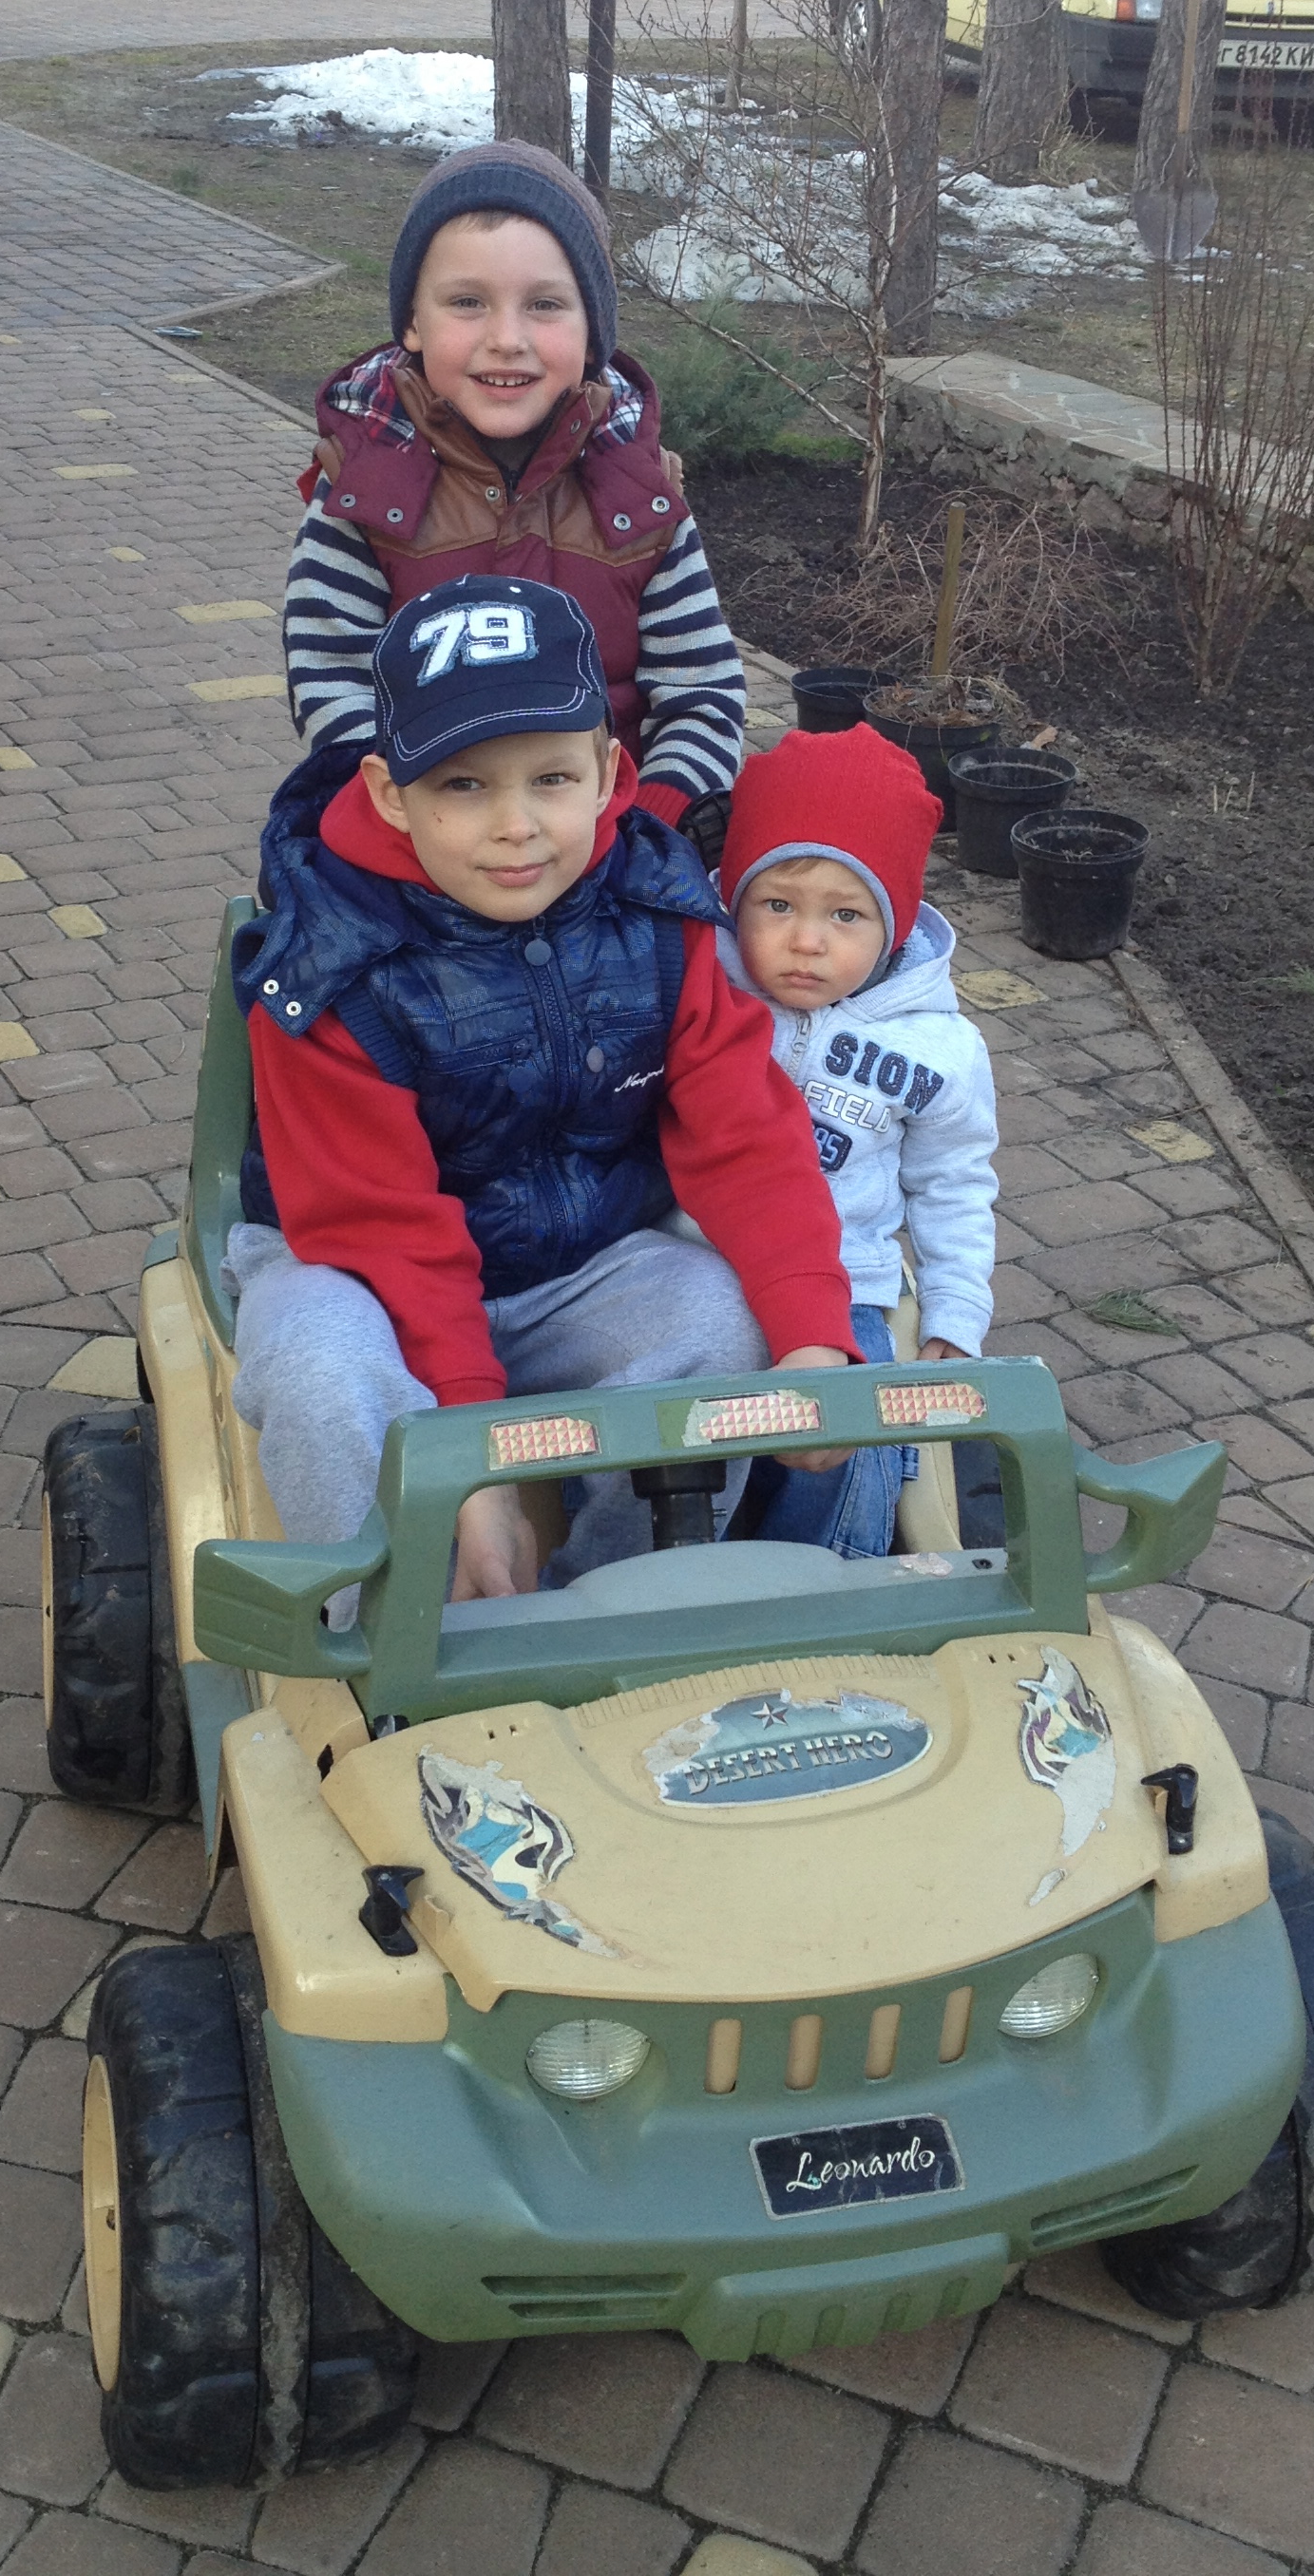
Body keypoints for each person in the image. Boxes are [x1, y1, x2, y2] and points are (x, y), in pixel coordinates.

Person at [226, 575, 856, 1599]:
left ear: (609, 772)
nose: (516, 826)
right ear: (390, 793)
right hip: (360, 1270)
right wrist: (468, 1461)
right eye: (464, 786)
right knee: (319, 1369)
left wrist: (813, 1333)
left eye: (551, 778)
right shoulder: (329, 965)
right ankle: (390, 1632)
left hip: (575, 1261)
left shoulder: (661, 919)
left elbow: (745, 1134)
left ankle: (616, 1608)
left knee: (720, 1320)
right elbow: (379, 1224)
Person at [280, 139, 749, 847]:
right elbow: (332, 685)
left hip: (614, 846)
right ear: (413, 322)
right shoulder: (363, 493)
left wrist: (646, 829)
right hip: (420, 854)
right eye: (467, 302)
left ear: (592, 331)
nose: (506, 338)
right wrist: (423, 832)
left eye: (545, 305)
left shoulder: (642, 496)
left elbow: (700, 692)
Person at [715, 725, 1001, 1560]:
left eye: (846, 914)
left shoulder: (938, 1048)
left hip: (850, 1281)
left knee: (850, 1438)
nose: (808, 941)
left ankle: (830, 1582)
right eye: (778, 906)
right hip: (699, 1264)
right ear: (733, 900)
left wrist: (957, 1308)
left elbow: (953, 1181)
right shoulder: (702, 996)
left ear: (895, 923)